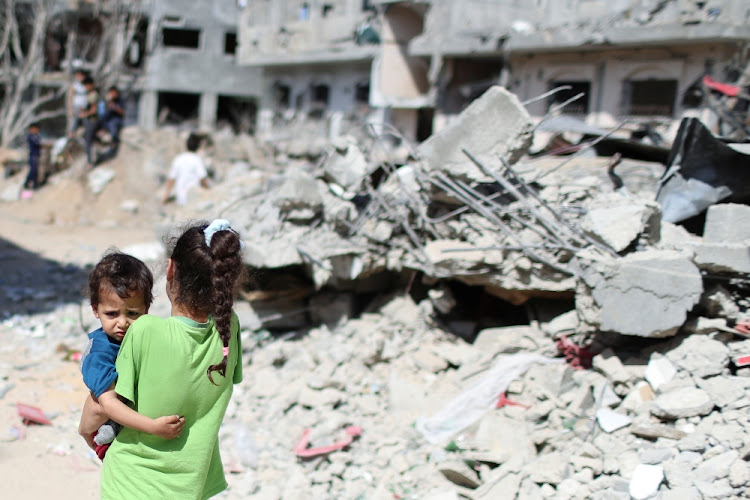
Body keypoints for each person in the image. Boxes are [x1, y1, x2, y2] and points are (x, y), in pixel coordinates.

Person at [100, 220, 246, 500]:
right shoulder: (229, 328)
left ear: (170, 269)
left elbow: (103, 403)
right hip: (193, 486)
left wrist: (85, 430)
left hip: (132, 484)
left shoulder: (144, 330)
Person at [78, 252, 185, 459]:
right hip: (106, 432)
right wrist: (154, 427)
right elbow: (108, 405)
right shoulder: (100, 354)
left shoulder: (144, 336)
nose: (122, 323)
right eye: (111, 314)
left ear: (146, 309)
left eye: (133, 314)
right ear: (95, 310)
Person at [161, 132, 210, 206]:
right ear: (198, 146)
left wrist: (165, 195)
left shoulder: (178, 159)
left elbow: (171, 179)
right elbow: (202, 179)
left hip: (180, 198)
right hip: (193, 197)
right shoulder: (197, 160)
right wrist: (209, 191)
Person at [95, 86, 125, 165]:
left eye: (113, 92)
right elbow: (103, 112)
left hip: (116, 120)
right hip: (107, 120)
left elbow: (122, 112)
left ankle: (114, 141)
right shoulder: (108, 101)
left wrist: (115, 107)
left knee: (113, 125)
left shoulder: (119, 101)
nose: (112, 94)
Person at [79, 75, 100, 169]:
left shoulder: (93, 95)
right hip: (91, 120)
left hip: (92, 121)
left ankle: (90, 162)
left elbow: (94, 110)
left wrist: (85, 114)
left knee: (88, 141)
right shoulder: (90, 94)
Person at [21, 123, 41, 197]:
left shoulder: (36, 136)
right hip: (33, 156)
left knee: (35, 171)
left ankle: (34, 184)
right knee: (33, 171)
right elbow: (37, 144)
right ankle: (28, 184)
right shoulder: (31, 137)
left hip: (35, 155)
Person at [68, 69, 88, 138]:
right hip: (76, 107)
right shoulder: (75, 85)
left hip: (85, 108)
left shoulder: (87, 84)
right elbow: (71, 96)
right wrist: (71, 109)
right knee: (74, 123)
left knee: (85, 125)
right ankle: (72, 136)